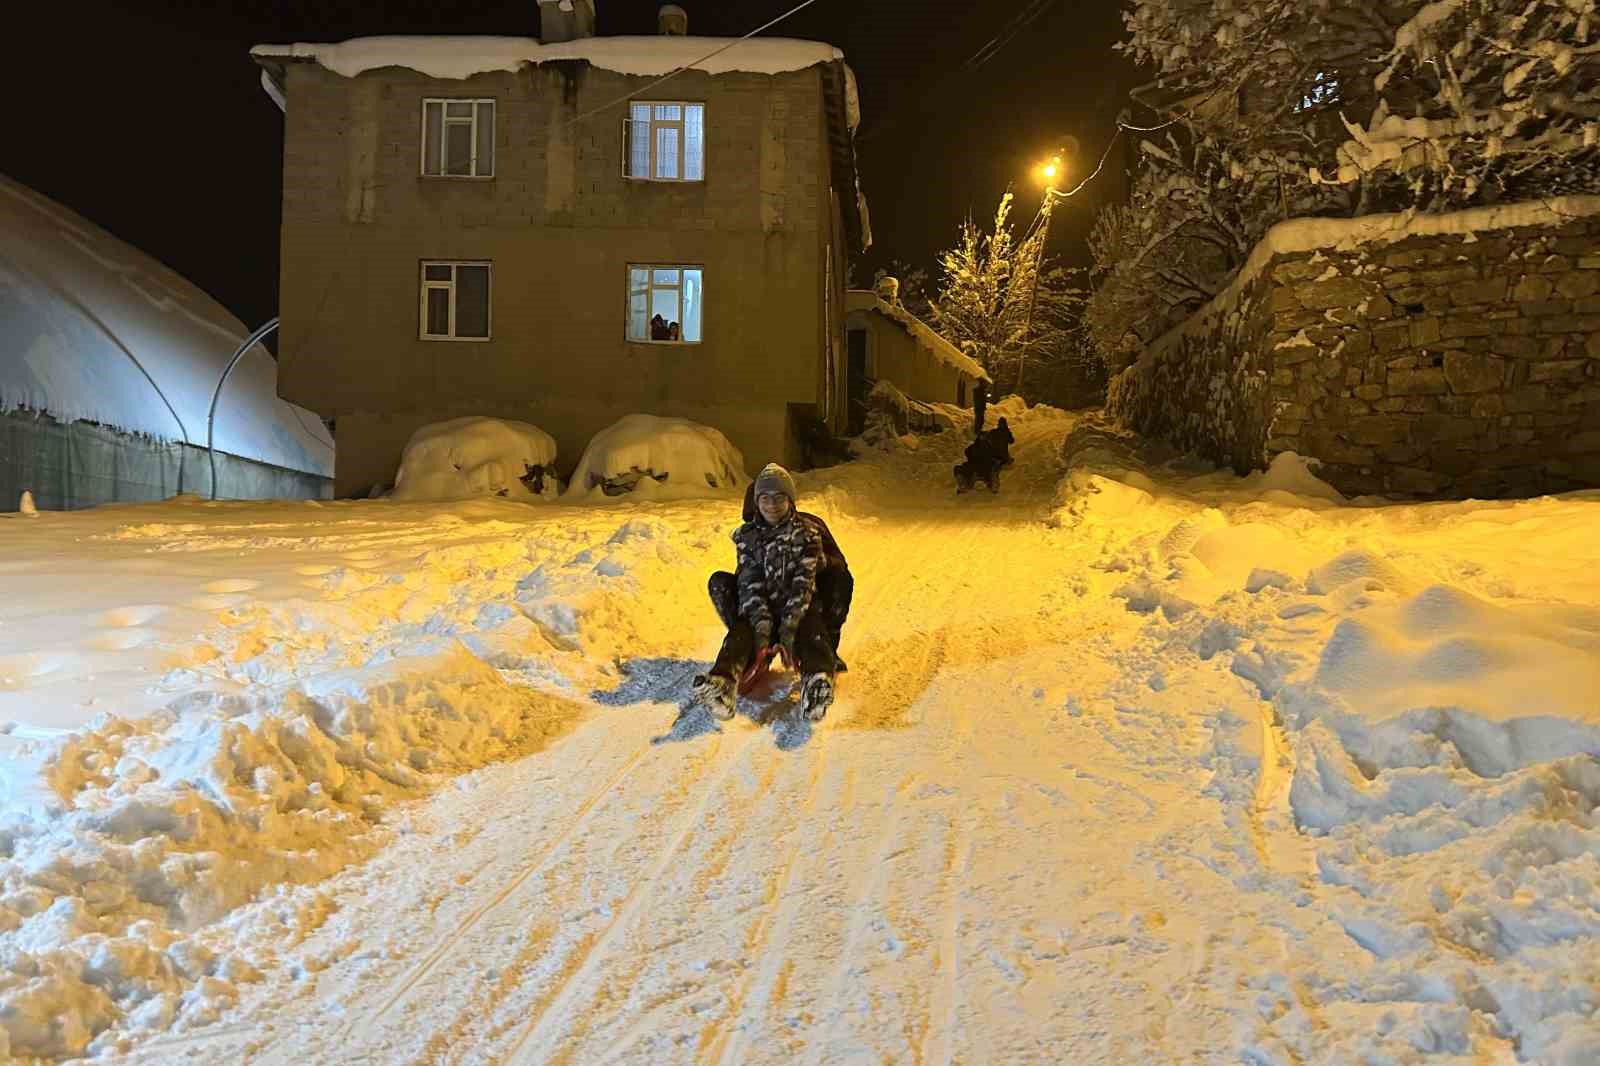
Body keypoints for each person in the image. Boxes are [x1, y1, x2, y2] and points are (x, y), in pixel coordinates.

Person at [692, 464, 852, 722]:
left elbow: (804, 584)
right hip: (762, 607)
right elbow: (749, 583)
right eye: (765, 498)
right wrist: (761, 631)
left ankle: (817, 682)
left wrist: (789, 629)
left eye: (780, 497)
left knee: (810, 631)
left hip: (799, 607)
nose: (772, 504)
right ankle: (722, 683)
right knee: (741, 634)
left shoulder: (808, 533)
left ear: (790, 501)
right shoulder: (748, 537)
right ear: (756, 502)